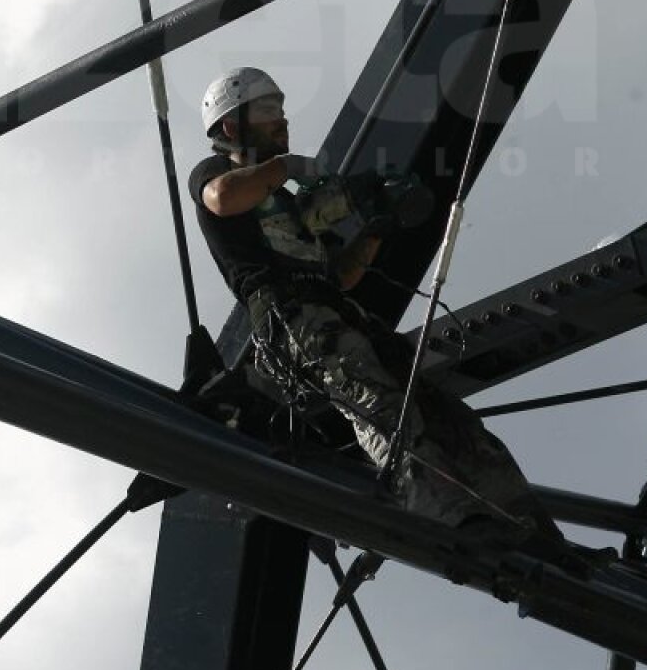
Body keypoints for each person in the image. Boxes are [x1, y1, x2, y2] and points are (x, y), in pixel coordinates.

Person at [188, 66, 558, 540]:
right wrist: (288, 166)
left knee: (445, 416)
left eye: (281, 110)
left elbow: (339, 276)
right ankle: (451, 519)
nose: (281, 121)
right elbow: (220, 199)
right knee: (380, 407)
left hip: (334, 314)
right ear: (230, 127)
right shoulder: (217, 174)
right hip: (292, 317)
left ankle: (529, 527)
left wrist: (375, 228)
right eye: (266, 112)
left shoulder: (283, 203)